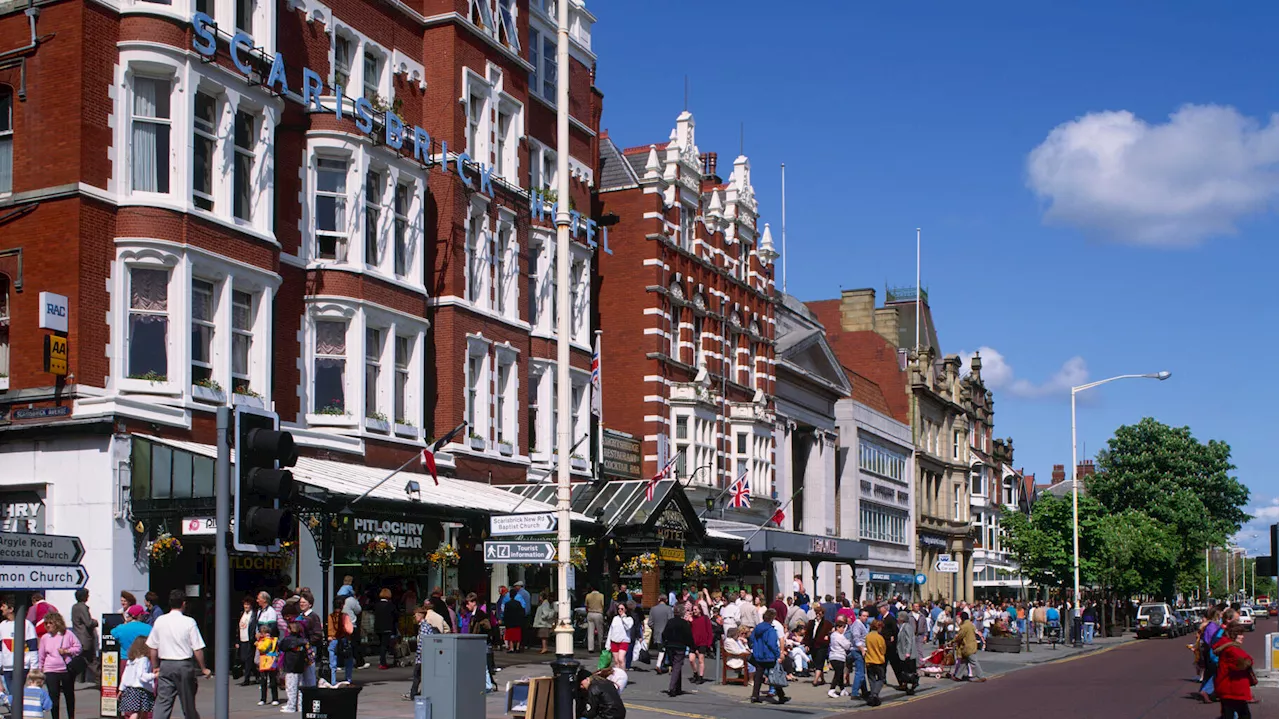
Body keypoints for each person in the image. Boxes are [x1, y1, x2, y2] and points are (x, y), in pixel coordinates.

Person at [146, 590, 210, 719]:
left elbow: (153, 647)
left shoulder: (160, 621)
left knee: (163, 703)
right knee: (188, 703)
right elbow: (197, 648)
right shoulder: (189, 622)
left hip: (165, 664)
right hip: (183, 664)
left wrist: (155, 666)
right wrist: (203, 668)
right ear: (183, 604)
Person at [37, 612, 81, 719]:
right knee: (53, 696)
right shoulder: (45, 638)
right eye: (46, 623)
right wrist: (39, 670)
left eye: (50, 623)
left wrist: (67, 651)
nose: (48, 625)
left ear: (57, 623)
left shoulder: (67, 634)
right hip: (50, 670)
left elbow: (78, 647)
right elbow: (41, 655)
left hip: (66, 669)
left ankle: (71, 716)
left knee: (69, 695)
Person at [1213, 622, 1254, 719]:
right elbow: (1245, 661)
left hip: (1228, 687)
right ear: (1233, 635)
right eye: (1240, 634)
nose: (1242, 637)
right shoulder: (1232, 649)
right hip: (1233, 688)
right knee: (1244, 715)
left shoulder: (1227, 646)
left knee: (1228, 714)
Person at [0, 596, 39, 695]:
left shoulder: (27, 624)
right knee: (12, 696)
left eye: (3, 606)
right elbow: (1, 649)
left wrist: (34, 668)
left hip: (22, 667)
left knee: (15, 695)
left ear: (11, 609)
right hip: (6, 668)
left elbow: (33, 647)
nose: (1, 608)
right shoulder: (2, 625)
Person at [749, 608, 787, 705]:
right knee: (774, 675)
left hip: (758, 655)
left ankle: (755, 695)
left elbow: (752, 639)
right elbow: (772, 644)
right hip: (768, 655)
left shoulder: (757, 628)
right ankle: (781, 695)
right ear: (772, 618)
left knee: (758, 675)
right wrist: (778, 654)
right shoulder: (770, 630)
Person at [119, 636, 157, 719]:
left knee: (134, 712)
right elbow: (142, 676)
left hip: (130, 689)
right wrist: (154, 675)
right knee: (140, 713)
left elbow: (125, 676)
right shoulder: (144, 659)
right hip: (141, 690)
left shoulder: (131, 660)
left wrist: (121, 689)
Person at [660, 604, 693, 697]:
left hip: (670, 646)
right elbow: (688, 636)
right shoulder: (684, 623)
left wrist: (665, 643)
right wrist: (691, 646)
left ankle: (678, 688)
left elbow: (664, 634)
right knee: (677, 666)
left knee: (676, 666)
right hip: (680, 646)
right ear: (682, 612)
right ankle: (672, 688)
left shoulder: (670, 622)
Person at [70, 589, 98, 685]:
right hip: (85, 638)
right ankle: (102, 681)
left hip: (77, 637)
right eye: (87, 595)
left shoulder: (74, 607)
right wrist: (96, 622)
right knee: (92, 661)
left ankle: (72, 678)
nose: (88, 597)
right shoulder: (83, 607)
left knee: (81, 660)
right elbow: (88, 623)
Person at [279, 622, 308, 713]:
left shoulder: (288, 640)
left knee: (291, 687)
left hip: (290, 665)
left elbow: (281, 647)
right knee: (300, 687)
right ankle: (300, 706)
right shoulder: (303, 640)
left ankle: (291, 706)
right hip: (300, 665)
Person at [336, 584, 365, 670]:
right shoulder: (351, 600)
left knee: (341, 644)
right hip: (350, 624)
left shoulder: (337, 599)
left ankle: (340, 664)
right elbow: (358, 610)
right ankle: (359, 662)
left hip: (340, 624)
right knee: (354, 644)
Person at [1198, 606, 1224, 702]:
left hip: (1209, 651)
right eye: (1220, 615)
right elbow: (1213, 640)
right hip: (1212, 652)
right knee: (1217, 672)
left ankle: (1204, 690)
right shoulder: (1212, 626)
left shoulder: (1211, 626)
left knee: (1209, 673)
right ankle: (1206, 691)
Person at [326, 597, 354, 684]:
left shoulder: (330, 616)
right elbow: (349, 630)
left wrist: (330, 636)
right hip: (343, 639)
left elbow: (329, 629)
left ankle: (333, 680)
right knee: (348, 660)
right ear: (342, 605)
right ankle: (348, 679)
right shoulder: (345, 616)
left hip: (333, 640)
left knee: (332, 662)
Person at [295, 594, 322, 687]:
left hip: (310, 648)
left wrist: (308, 642)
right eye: (300, 602)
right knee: (301, 676)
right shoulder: (299, 616)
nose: (301, 604)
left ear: (310, 604)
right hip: (300, 648)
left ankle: (311, 695)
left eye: (304, 602)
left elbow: (318, 634)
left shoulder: (314, 616)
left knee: (310, 674)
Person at [950, 611, 984, 683]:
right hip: (972, 645)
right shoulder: (971, 624)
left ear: (962, 618)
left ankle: (981, 676)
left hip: (967, 647)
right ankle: (958, 676)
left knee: (974, 661)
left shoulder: (964, 626)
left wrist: (952, 641)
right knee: (963, 662)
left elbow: (959, 636)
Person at [688, 603, 713, 685]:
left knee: (701, 660)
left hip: (702, 642)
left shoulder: (705, 618)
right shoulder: (691, 619)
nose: (694, 611)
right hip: (693, 642)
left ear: (700, 610)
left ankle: (701, 676)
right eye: (693, 609)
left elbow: (709, 631)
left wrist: (709, 643)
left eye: (696, 609)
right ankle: (695, 673)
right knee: (691, 659)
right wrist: (689, 621)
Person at [254, 626, 280, 706]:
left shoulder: (268, 640)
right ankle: (264, 699)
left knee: (272, 681)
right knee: (264, 682)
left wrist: (257, 643)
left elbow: (263, 648)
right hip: (264, 663)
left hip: (270, 662)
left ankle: (274, 699)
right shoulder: (267, 640)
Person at [372, 588, 397, 669]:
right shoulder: (390, 605)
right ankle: (383, 663)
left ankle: (382, 661)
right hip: (387, 627)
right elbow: (396, 616)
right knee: (385, 645)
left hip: (378, 627)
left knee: (381, 645)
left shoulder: (376, 605)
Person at [864, 619, 887, 707]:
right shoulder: (879, 637)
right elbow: (883, 649)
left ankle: (873, 697)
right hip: (878, 660)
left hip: (869, 660)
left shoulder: (868, 636)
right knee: (881, 679)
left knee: (871, 679)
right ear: (879, 627)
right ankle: (874, 694)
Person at [648, 595, 673, 674]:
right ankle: (663, 664)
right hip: (666, 632)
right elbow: (671, 621)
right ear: (666, 600)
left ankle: (661, 664)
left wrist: (655, 628)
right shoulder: (669, 609)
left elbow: (650, 623)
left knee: (661, 649)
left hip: (657, 632)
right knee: (666, 649)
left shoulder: (653, 609)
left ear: (658, 600)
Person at [806, 611, 832, 687]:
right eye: (817, 613)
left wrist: (828, 636)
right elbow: (808, 634)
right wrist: (806, 644)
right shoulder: (811, 623)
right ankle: (822, 679)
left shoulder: (827, 623)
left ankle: (815, 680)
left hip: (822, 645)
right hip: (813, 645)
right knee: (816, 662)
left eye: (820, 614)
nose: (818, 615)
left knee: (820, 662)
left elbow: (831, 631)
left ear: (823, 615)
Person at [236, 597, 257, 687]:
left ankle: (246, 679)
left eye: (248, 604)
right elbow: (238, 628)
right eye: (245, 604)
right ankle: (257, 675)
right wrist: (237, 641)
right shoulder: (242, 614)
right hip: (242, 639)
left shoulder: (254, 615)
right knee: (244, 659)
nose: (246, 606)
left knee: (248, 659)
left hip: (250, 640)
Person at [896, 608, 917, 693]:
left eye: (898, 617)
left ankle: (912, 684)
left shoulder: (907, 627)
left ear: (902, 618)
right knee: (905, 670)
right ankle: (906, 684)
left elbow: (909, 640)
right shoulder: (902, 626)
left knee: (910, 671)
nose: (897, 618)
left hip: (908, 654)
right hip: (902, 652)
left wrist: (908, 652)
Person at [607, 605, 633, 669]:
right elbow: (611, 630)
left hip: (624, 641)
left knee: (621, 659)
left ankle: (623, 675)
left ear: (626, 610)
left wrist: (623, 617)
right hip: (614, 640)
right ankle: (617, 676)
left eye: (622, 608)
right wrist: (608, 644)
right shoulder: (615, 618)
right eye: (618, 608)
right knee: (616, 661)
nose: (620, 610)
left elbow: (628, 627)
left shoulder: (629, 619)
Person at [585, 586, 606, 655]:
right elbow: (602, 605)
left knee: (590, 632)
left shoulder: (588, 595)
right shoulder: (601, 596)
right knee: (600, 631)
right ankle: (601, 647)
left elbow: (586, 605)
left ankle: (590, 648)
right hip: (598, 613)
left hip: (590, 613)